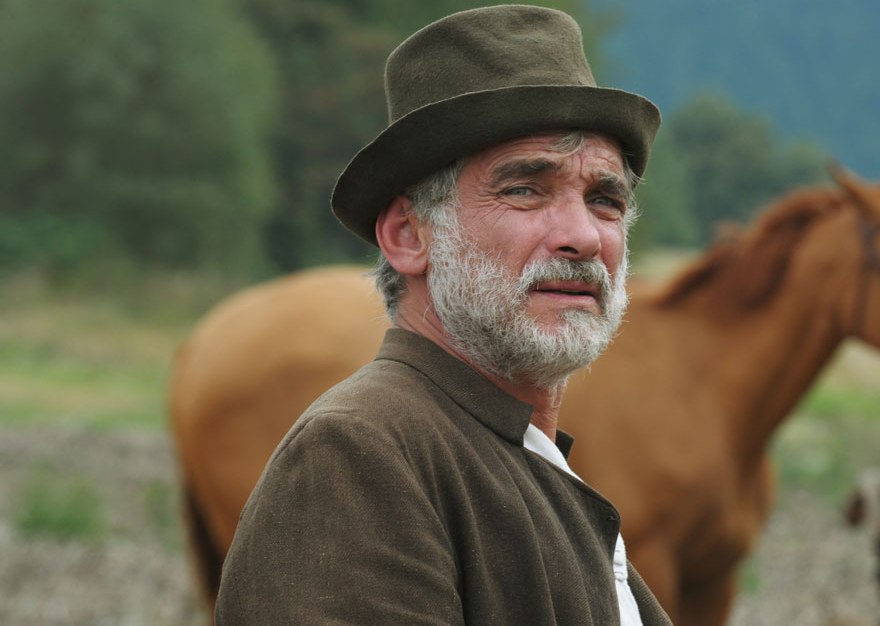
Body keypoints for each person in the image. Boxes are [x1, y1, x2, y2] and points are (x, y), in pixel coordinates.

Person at [214, 5, 671, 625]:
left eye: (605, 199)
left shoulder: (515, 455)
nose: (584, 236)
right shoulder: (357, 454)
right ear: (408, 235)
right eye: (524, 189)